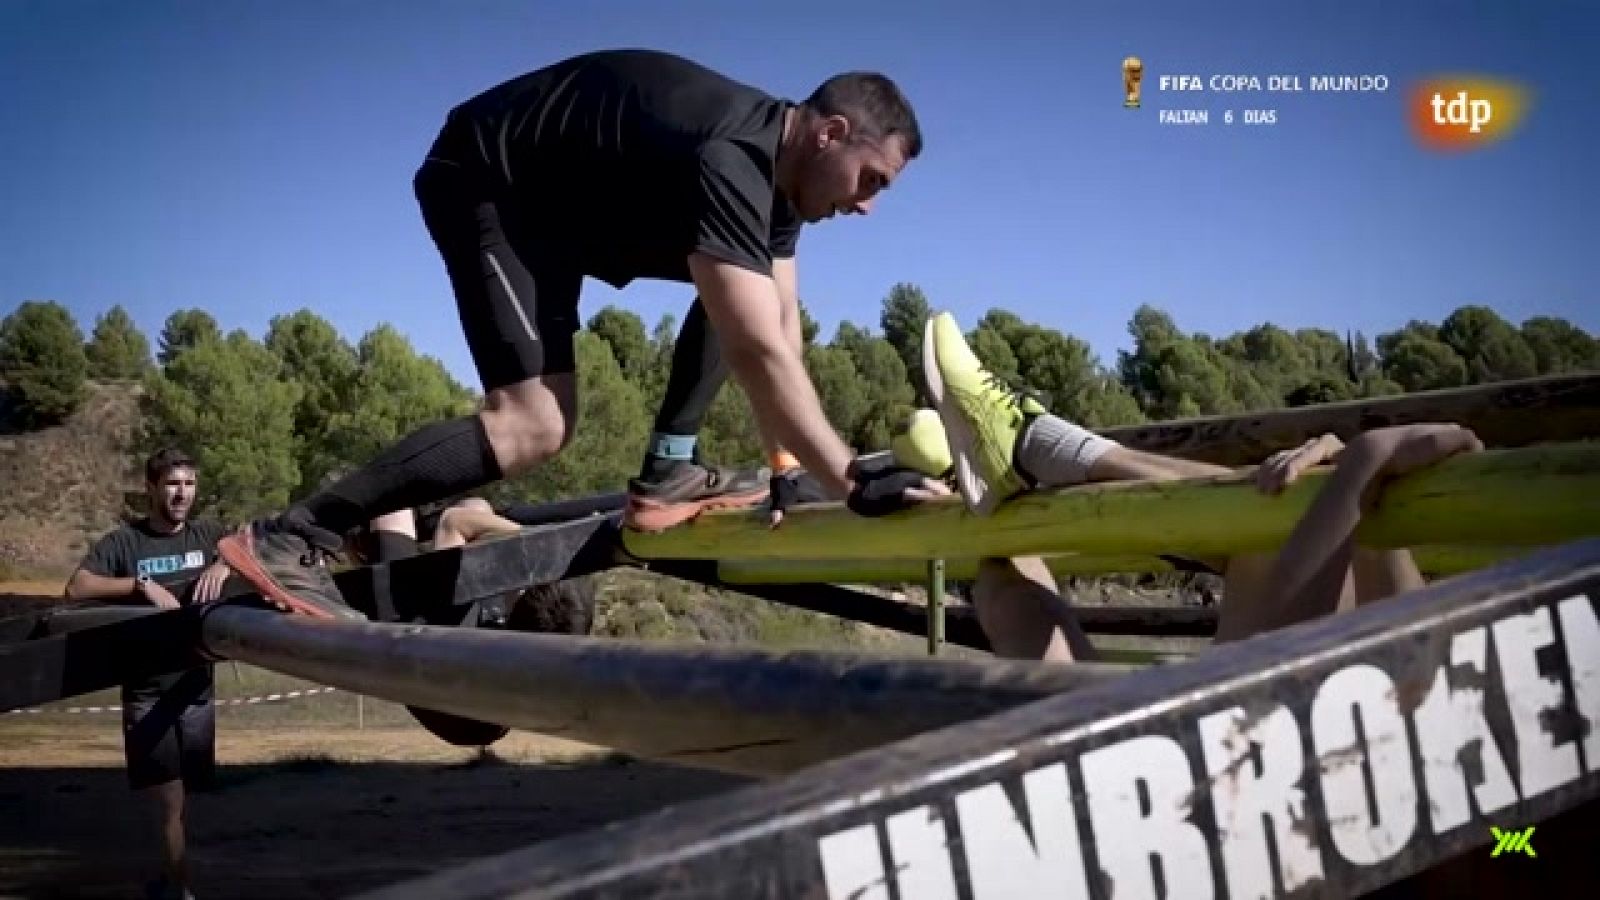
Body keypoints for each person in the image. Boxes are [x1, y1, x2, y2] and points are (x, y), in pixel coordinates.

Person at [218, 47, 947, 620]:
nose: (866, 206)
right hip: (487, 178)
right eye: (871, 181)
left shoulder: (780, 186)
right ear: (831, 133)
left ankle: (669, 471)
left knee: (741, 291)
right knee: (533, 426)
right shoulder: (731, 155)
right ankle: (289, 535)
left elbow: (778, 329)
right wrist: (848, 478)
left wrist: (789, 468)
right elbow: (756, 348)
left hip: (560, 212)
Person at [897, 311, 1484, 660]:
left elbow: (1421, 673)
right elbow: (1426, 659)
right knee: (1002, 574)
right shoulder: (1488, 769)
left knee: (1275, 522)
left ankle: (1037, 450)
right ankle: (1032, 454)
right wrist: (1353, 478)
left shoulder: (1477, 794)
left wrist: (1359, 468)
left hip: (1245, 781)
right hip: (1215, 777)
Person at [64, 448, 233, 900]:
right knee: (169, 803)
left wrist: (223, 563)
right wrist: (139, 584)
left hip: (196, 688)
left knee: (186, 801)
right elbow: (77, 587)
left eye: (190, 484)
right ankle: (181, 891)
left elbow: (252, 546)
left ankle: (167, 875)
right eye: (173, 484)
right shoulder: (125, 543)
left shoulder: (208, 535)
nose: (182, 494)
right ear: (152, 488)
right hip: (148, 692)